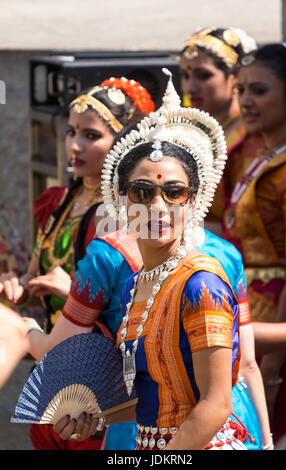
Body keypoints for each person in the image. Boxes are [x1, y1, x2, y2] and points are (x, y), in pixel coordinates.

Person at [49, 70, 262, 450]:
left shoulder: (201, 284)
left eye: (174, 192)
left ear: (193, 202)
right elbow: (155, 399)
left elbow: (215, 405)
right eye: (142, 191)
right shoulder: (136, 284)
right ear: (119, 199)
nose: (158, 207)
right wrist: (96, 420)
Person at [0, 77, 154, 450]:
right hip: (52, 354)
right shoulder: (59, 202)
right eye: (70, 132)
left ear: (125, 143)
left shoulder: (132, 213)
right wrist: (20, 288)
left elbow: (141, 301)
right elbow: (37, 278)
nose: (74, 145)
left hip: (103, 370)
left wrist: (73, 294)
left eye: (91, 135)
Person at [222, 43, 286, 442]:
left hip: (278, 322)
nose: (246, 101)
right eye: (241, 90)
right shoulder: (260, 152)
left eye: (260, 91)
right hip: (247, 308)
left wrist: (269, 369)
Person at [179, 26, 264, 234]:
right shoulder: (186, 130)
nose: (190, 87)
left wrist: (176, 230)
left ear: (235, 76)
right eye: (185, 75)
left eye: (203, 75)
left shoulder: (251, 136)